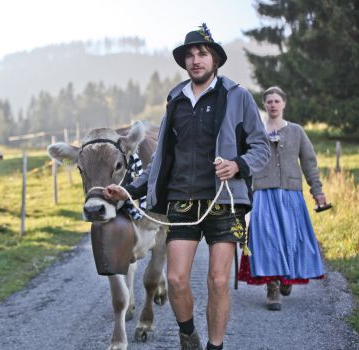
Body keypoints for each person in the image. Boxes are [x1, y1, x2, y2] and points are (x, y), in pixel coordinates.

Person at [102, 24, 270, 350]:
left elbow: (260, 147)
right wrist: (131, 189)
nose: (195, 60)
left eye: (202, 54)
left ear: (215, 60)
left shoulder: (238, 96)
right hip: (182, 199)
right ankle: (188, 334)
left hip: (225, 198)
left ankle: (215, 346)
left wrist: (238, 165)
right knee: (177, 281)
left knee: (218, 281)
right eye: (190, 55)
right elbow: (162, 159)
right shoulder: (176, 102)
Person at [237, 86, 327, 311]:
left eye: (277, 101)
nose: (273, 105)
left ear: (284, 104)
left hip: (290, 194)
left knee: (290, 239)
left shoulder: (296, 131)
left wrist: (317, 191)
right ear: (264, 105)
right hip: (263, 194)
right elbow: (244, 161)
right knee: (267, 241)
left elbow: (309, 163)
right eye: (269, 101)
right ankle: (273, 287)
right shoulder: (255, 132)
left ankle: (287, 277)